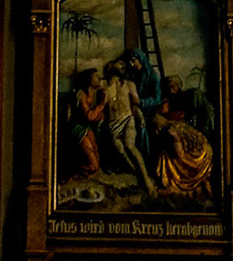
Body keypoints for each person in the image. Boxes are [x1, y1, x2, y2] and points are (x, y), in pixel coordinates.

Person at [103, 61, 156, 195]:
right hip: (112, 124)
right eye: (119, 66)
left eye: (123, 66)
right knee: (120, 149)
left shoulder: (129, 85)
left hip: (127, 119)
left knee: (129, 146)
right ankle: (136, 172)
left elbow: (135, 103)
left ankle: (146, 181)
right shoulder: (104, 86)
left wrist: (139, 115)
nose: (123, 68)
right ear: (111, 68)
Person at [149, 105, 214, 200]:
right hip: (205, 151)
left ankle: (173, 184)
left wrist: (174, 146)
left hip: (199, 156)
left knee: (165, 156)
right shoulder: (176, 123)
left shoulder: (170, 131)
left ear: (157, 127)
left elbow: (179, 153)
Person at [65, 69, 108, 177]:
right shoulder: (81, 94)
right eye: (96, 76)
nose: (99, 78)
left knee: (97, 162)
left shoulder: (93, 93)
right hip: (78, 129)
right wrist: (101, 105)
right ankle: (70, 169)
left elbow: (95, 117)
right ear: (89, 80)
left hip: (86, 128)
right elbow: (89, 116)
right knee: (93, 166)